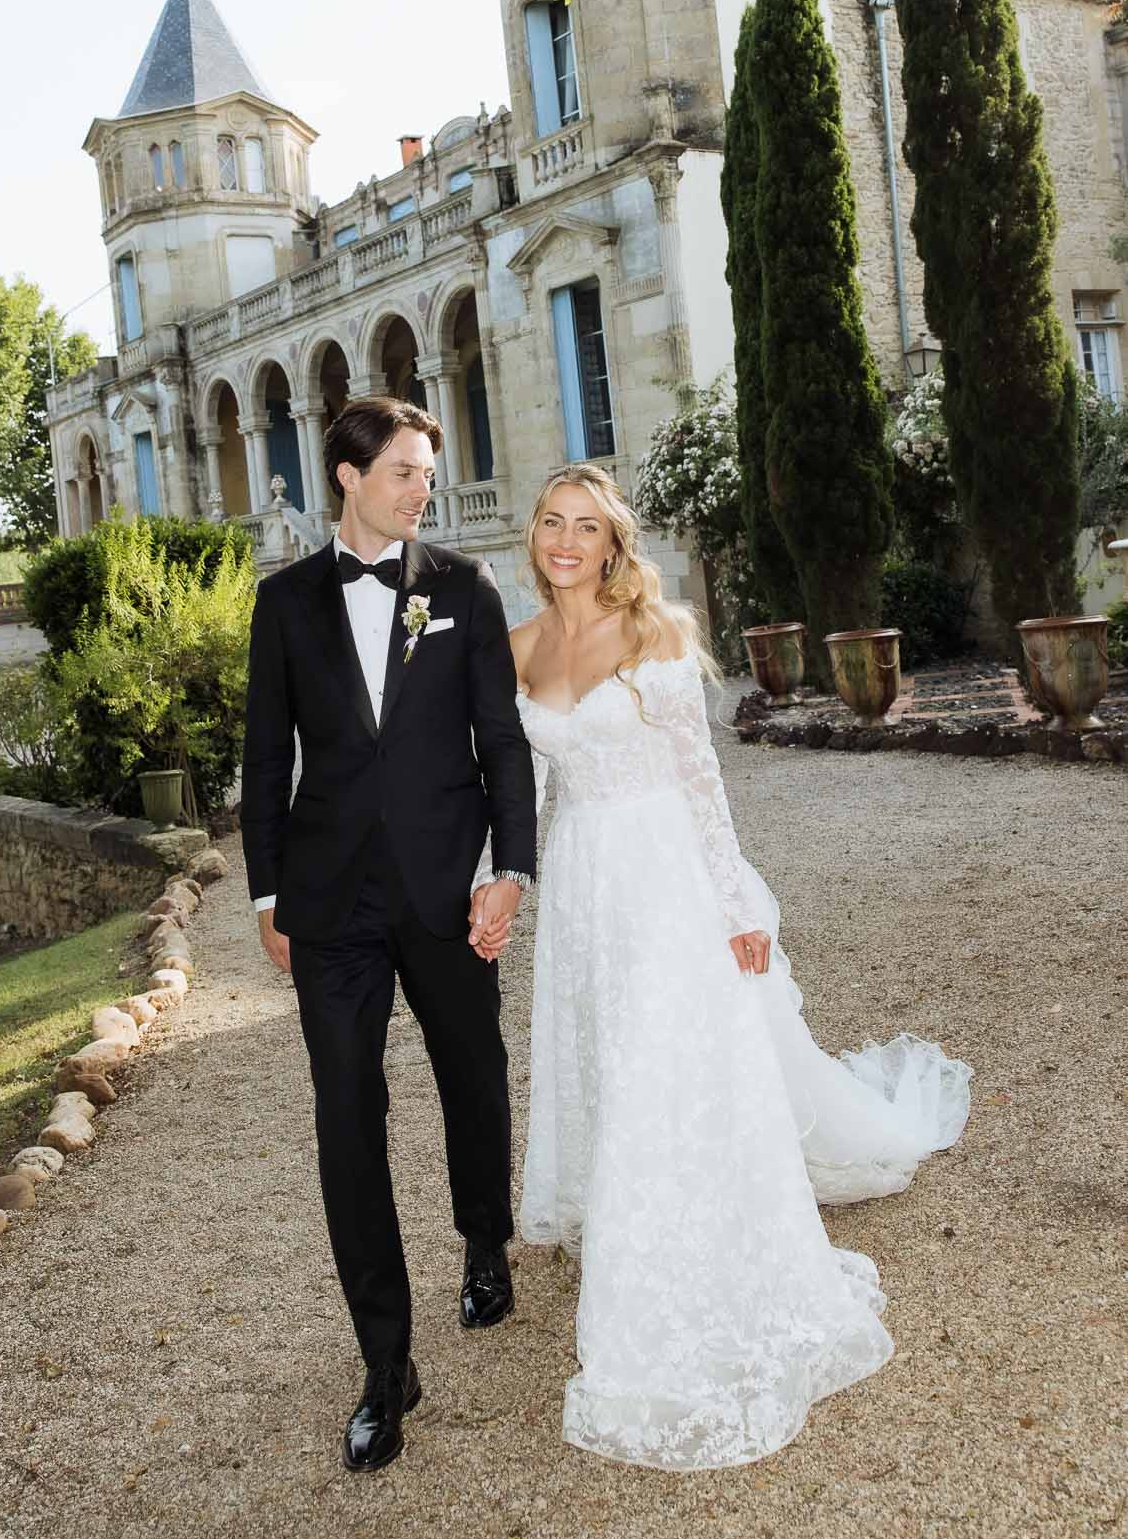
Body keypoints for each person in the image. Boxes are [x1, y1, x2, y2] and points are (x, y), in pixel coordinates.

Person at [503, 462, 971, 1472]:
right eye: (553, 522)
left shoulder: (656, 630)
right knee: (612, 1054)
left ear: (614, 540)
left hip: (665, 870)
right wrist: (488, 883)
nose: (568, 540)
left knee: (667, 1062)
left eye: (587, 525)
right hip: (584, 884)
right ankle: (635, 1218)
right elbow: (525, 781)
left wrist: (732, 902)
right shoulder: (520, 647)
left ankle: (680, 1253)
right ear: (534, 535)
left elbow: (700, 778)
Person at [241, 396, 536, 1473]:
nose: (423, 489)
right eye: (406, 471)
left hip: (446, 887)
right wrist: (266, 894)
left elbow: (500, 740)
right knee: (346, 1119)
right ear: (350, 477)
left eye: (426, 472)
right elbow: (266, 759)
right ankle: (384, 1360)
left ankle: (483, 1241)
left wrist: (509, 870)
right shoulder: (283, 603)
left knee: (473, 1071)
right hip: (328, 907)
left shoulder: (465, 586)